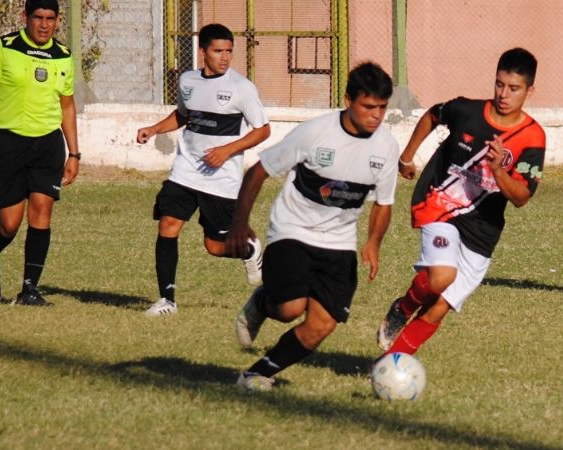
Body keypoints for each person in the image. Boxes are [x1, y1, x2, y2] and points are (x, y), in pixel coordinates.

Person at [227, 62, 399, 391]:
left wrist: (373, 242)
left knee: (322, 325)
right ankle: (264, 303)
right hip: (293, 229)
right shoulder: (315, 132)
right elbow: (259, 170)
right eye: (368, 107)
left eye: (381, 108)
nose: (375, 115)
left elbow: (384, 202)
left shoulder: (386, 147)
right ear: (348, 100)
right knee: (289, 309)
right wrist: (239, 222)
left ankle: (255, 375)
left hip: (339, 243)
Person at [376, 48, 546, 356]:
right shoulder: (466, 111)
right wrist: (406, 157)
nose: (503, 94)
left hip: (483, 228)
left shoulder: (532, 137)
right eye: (499, 84)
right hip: (440, 206)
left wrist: (497, 170)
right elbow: (432, 115)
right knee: (441, 276)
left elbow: (522, 197)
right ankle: (403, 308)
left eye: (514, 88)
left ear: (530, 90)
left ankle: (390, 365)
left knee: (440, 306)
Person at [136, 23, 271, 316]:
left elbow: (263, 131)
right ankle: (167, 301)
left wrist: (227, 150)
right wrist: (154, 129)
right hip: (185, 170)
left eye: (228, 51)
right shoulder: (188, 81)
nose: (224, 57)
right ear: (202, 52)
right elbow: (183, 116)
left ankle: (249, 250)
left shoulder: (242, 88)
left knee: (214, 245)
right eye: (217, 51)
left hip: (221, 180)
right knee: (168, 226)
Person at [0, 0, 79, 306]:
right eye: (38, 18)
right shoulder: (3, 48)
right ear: (25, 17)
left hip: (48, 145)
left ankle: (30, 289)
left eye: (50, 19)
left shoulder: (63, 55)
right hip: (10, 143)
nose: (44, 24)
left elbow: (67, 105)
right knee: (8, 224)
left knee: (42, 212)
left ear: (57, 21)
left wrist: (75, 153)